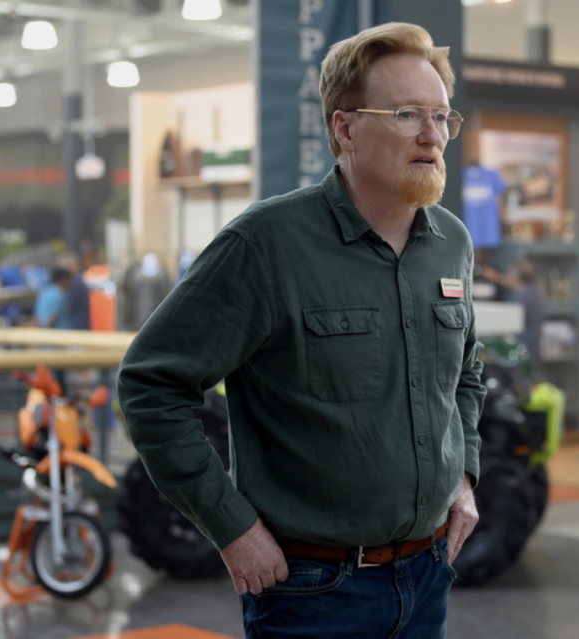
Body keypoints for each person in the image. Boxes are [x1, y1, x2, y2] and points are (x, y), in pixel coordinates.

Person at [117, 22, 486, 638]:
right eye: (406, 114)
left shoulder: (452, 243)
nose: (432, 135)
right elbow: (152, 385)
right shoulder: (265, 246)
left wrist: (465, 477)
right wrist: (232, 527)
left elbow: (467, 371)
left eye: (443, 116)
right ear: (344, 129)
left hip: (427, 579)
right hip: (313, 591)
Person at [480, 258, 543, 373]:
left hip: (522, 349)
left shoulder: (522, 296)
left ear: (516, 277)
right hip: (532, 349)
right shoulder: (533, 292)